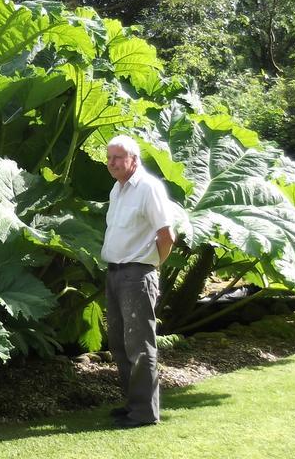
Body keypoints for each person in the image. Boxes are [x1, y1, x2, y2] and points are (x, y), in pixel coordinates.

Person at [102, 134, 175, 428]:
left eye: (117, 157)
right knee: (119, 344)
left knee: (139, 346)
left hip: (137, 274)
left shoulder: (148, 188)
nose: (111, 163)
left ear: (133, 159)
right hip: (115, 273)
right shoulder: (117, 191)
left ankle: (144, 413)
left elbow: (166, 235)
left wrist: (152, 265)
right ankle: (133, 405)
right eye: (109, 158)